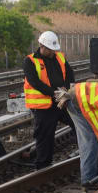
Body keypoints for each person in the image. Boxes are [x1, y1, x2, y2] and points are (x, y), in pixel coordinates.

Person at [22, 31, 75, 169]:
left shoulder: (59, 58)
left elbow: (70, 74)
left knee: (80, 122)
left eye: (54, 49)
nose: (53, 52)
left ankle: (85, 151)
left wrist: (67, 90)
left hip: (62, 101)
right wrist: (55, 93)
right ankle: (43, 165)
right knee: (45, 135)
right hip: (43, 106)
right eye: (50, 50)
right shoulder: (30, 61)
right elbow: (35, 83)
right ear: (41, 46)